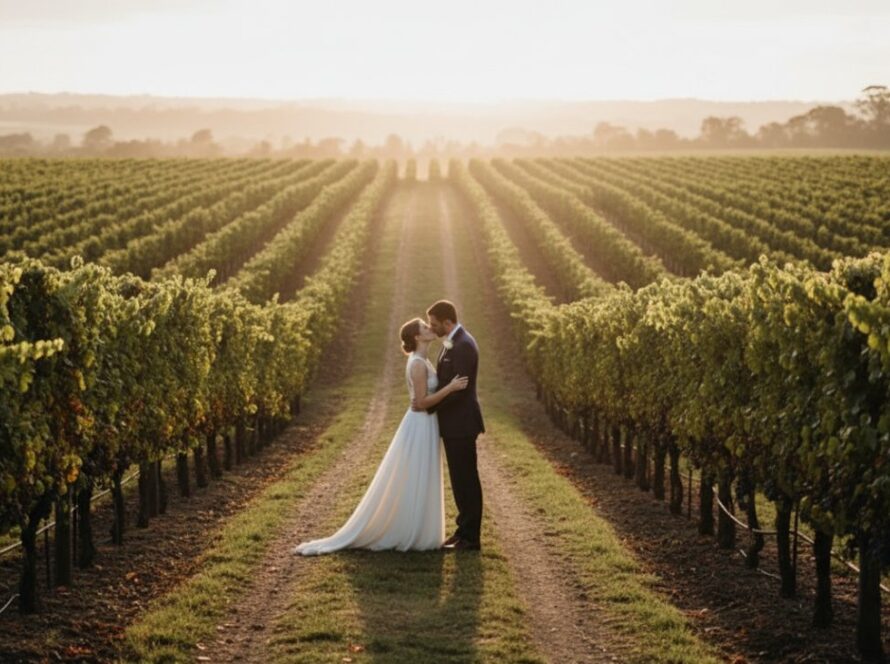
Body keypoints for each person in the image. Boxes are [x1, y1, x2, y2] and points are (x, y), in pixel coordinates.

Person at [293, 317, 468, 555]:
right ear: (417, 337)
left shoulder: (423, 360)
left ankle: (419, 528)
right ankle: (411, 531)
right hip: (420, 423)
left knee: (420, 474)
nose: (430, 328)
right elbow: (423, 402)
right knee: (415, 474)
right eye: (425, 328)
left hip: (426, 424)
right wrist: (450, 388)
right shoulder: (417, 364)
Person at [417, 300, 485, 551]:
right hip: (454, 424)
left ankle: (470, 538)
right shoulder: (453, 341)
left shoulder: (464, 345)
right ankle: (462, 530)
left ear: (447, 322)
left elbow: (460, 389)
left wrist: (428, 406)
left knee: (467, 480)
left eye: (435, 324)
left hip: (462, 423)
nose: (432, 328)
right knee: (459, 480)